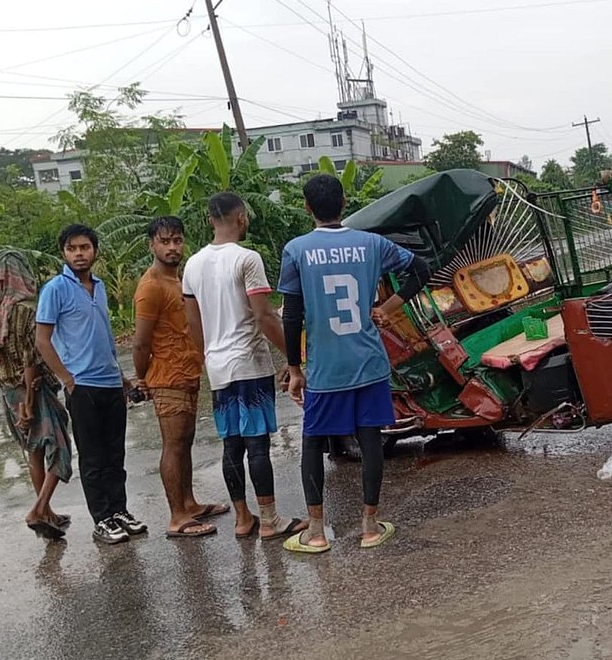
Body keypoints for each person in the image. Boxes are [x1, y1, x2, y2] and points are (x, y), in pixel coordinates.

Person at [279, 173, 430, 554]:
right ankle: (370, 526)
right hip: (368, 363)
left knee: (313, 442)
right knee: (370, 439)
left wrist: (294, 369)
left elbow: (292, 315)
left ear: (307, 207)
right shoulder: (372, 244)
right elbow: (421, 270)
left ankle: (316, 532)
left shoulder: (296, 250)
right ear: (344, 203)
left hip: (326, 368)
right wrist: (387, 308)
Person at [181, 192, 306, 542]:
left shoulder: (192, 265)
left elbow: (194, 324)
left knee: (232, 445)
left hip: (218, 367)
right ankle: (269, 519)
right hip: (249, 363)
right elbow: (264, 316)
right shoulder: (247, 259)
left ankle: (242, 517)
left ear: (210, 220)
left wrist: (207, 357)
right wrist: (293, 359)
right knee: (257, 445)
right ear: (241, 218)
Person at [36, 224, 146, 545]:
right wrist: (67, 379)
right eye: (72, 249)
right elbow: (43, 340)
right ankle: (102, 519)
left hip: (110, 383)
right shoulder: (55, 289)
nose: (79, 254)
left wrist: (122, 378)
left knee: (115, 454)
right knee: (93, 457)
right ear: (63, 253)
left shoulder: (99, 287)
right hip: (82, 386)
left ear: (95, 250)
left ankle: (119, 511)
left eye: (84, 247)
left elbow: (106, 338)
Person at [132, 216, 230, 540]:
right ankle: (177, 517)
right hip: (166, 376)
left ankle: (189, 502)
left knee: (185, 441)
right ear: (152, 245)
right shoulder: (151, 286)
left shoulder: (177, 280)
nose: (172, 247)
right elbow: (140, 342)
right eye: (165, 241)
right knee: (173, 445)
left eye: (177, 240)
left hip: (187, 372)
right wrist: (142, 378)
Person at [0, 247, 73, 542]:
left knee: (34, 452)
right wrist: (29, 399)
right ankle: (39, 510)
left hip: (8, 393)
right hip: (33, 391)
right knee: (60, 447)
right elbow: (33, 359)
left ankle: (48, 511)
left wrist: (10, 388)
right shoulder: (27, 311)